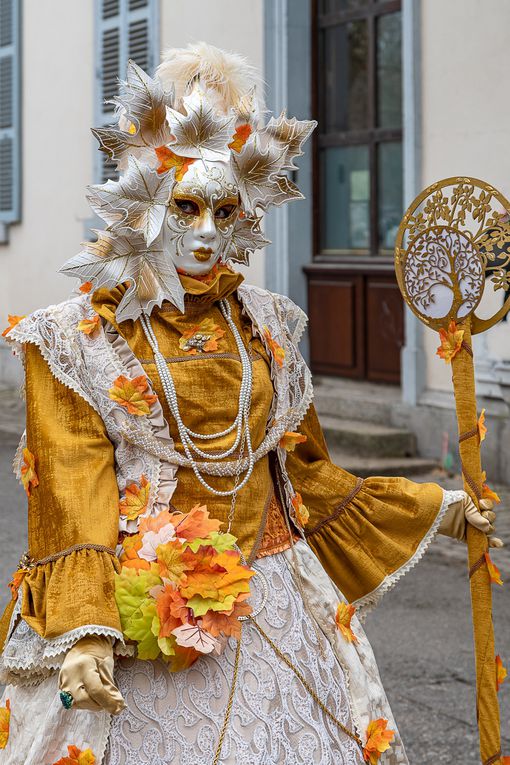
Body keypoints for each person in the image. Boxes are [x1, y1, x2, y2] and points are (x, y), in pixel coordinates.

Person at [0, 43, 501, 765]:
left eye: (224, 209)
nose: (206, 233)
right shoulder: (76, 340)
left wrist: (437, 506)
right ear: (144, 204)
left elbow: (303, 472)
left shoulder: (267, 326)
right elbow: (74, 492)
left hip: (273, 601)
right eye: (187, 207)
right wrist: (84, 633)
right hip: (139, 618)